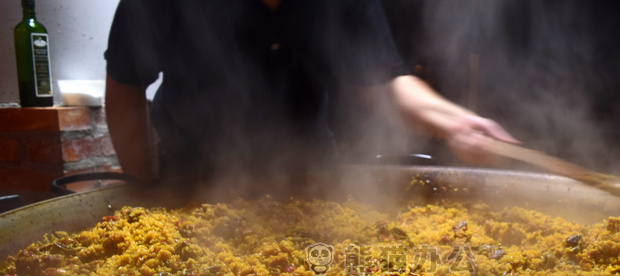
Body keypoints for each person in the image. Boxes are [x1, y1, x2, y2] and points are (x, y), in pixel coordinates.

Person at [104, 0, 515, 183]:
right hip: (196, 179)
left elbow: (384, 84)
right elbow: (125, 89)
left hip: (315, 179)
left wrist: (458, 123)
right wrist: (143, 190)